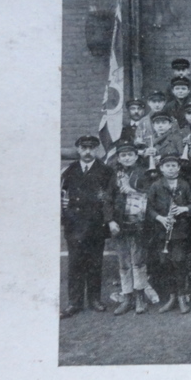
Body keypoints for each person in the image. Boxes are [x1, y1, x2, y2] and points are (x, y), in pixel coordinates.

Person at [60, 135, 119, 319]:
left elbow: (110, 198)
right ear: (78, 149)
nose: (87, 151)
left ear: (97, 150)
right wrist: (67, 217)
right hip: (75, 224)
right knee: (75, 264)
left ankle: (94, 299)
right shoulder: (69, 170)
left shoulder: (106, 171)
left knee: (95, 263)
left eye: (91, 148)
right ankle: (74, 302)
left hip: (95, 224)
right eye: (83, 148)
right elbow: (62, 196)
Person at [110, 140, 158, 315]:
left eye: (130, 154)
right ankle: (127, 297)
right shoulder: (114, 174)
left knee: (138, 261)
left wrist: (131, 190)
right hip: (118, 223)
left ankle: (140, 297)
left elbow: (151, 196)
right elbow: (107, 199)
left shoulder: (144, 173)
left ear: (136, 156)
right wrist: (110, 220)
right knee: (123, 263)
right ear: (119, 158)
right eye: (123, 155)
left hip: (138, 223)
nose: (127, 158)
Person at [145, 154, 191, 314]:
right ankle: (172, 297)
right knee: (165, 264)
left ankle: (181, 296)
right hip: (162, 231)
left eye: (174, 166)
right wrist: (160, 218)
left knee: (179, 262)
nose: (171, 169)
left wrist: (184, 209)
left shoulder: (184, 185)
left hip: (180, 231)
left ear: (179, 168)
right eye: (167, 166)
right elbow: (148, 208)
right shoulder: (156, 186)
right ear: (161, 168)